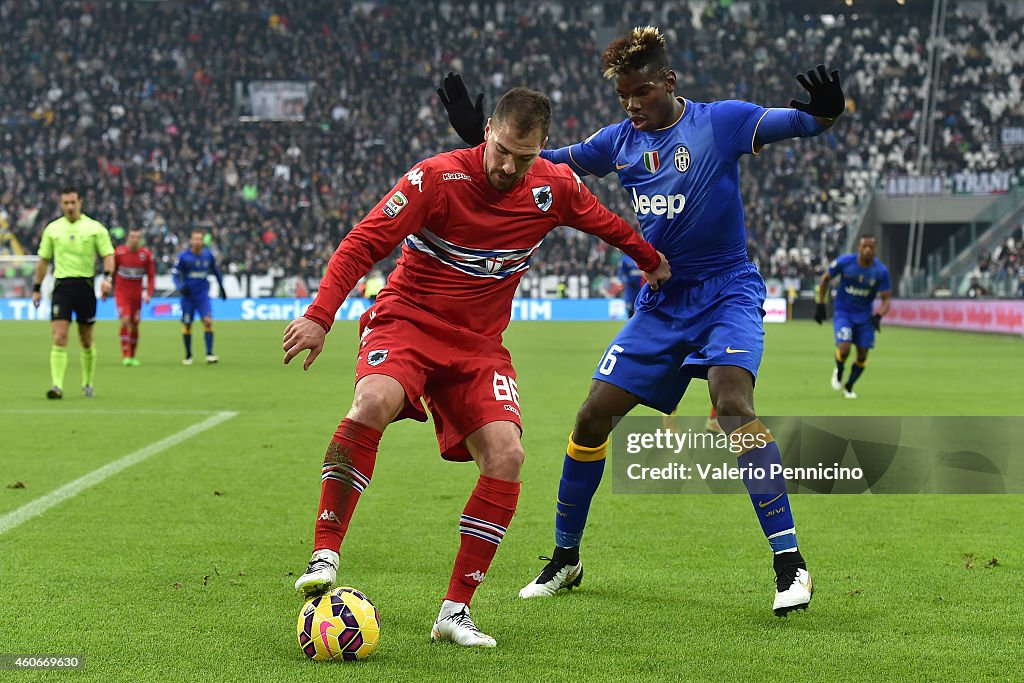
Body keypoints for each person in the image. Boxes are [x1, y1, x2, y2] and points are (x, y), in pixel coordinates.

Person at [439, 26, 845, 615]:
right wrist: (482, 140)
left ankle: (790, 564)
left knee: (733, 406)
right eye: (624, 96)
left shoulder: (721, 122)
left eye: (642, 92)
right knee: (590, 418)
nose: (632, 104)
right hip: (661, 304)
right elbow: (540, 165)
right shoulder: (617, 142)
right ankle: (566, 556)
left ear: (669, 82)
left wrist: (826, 114)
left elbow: (802, 123)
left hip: (726, 291)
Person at [282, 87, 670, 648]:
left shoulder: (553, 187)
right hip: (407, 322)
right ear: (487, 132)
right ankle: (325, 550)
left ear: (542, 149)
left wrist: (651, 261)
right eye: (503, 151)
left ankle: (455, 612)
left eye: (526, 156)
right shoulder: (435, 179)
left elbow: (609, 224)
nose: (511, 167)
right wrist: (320, 314)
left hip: (479, 346)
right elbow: (363, 243)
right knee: (372, 402)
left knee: (508, 454)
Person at [31, 186, 114, 399]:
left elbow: (107, 254)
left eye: (72, 202)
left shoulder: (94, 228)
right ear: (61, 204)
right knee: (59, 336)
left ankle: (88, 383)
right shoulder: (53, 229)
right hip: (62, 287)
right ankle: (57, 386)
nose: (69, 206)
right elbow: (43, 261)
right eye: (65, 203)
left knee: (86, 340)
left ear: (80, 203)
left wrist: (107, 279)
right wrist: (37, 288)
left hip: (85, 286)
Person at [815, 235, 891, 399]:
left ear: (875, 249)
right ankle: (839, 369)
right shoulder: (845, 262)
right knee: (844, 348)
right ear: (859, 247)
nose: (867, 250)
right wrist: (821, 304)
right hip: (844, 312)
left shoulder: (880, 271)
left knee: (863, 354)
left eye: (871, 247)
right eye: (864, 246)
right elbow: (825, 279)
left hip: (865, 316)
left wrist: (878, 316)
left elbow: (886, 299)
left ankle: (849, 386)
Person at [172, 230, 227, 365]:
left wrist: (222, 287)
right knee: (187, 324)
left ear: (203, 241)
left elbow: (216, 271)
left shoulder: (208, 255)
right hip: (188, 297)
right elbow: (174, 275)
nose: (197, 242)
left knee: (208, 321)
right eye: (195, 239)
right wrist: (180, 287)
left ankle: (209, 353)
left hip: (202, 296)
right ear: (191, 241)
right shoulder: (183, 257)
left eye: (199, 239)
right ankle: (188, 355)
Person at [112, 227, 155, 366]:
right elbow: (111, 272)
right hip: (122, 294)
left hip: (136, 295)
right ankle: (125, 355)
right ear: (128, 238)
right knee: (125, 320)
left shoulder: (146, 255)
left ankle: (132, 354)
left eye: (138, 237)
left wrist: (148, 294)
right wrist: (107, 288)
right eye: (132, 237)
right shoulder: (119, 253)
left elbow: (151, 276)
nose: (135, 240)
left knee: (135, 325)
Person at [616, 253, 644, 317]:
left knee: (642, 308)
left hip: (642, 286)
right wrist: (627, 281)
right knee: (630, 308)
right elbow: (621, 274)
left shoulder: (643, 255)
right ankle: (630, 322)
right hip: (631, 288)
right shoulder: (625, 259)